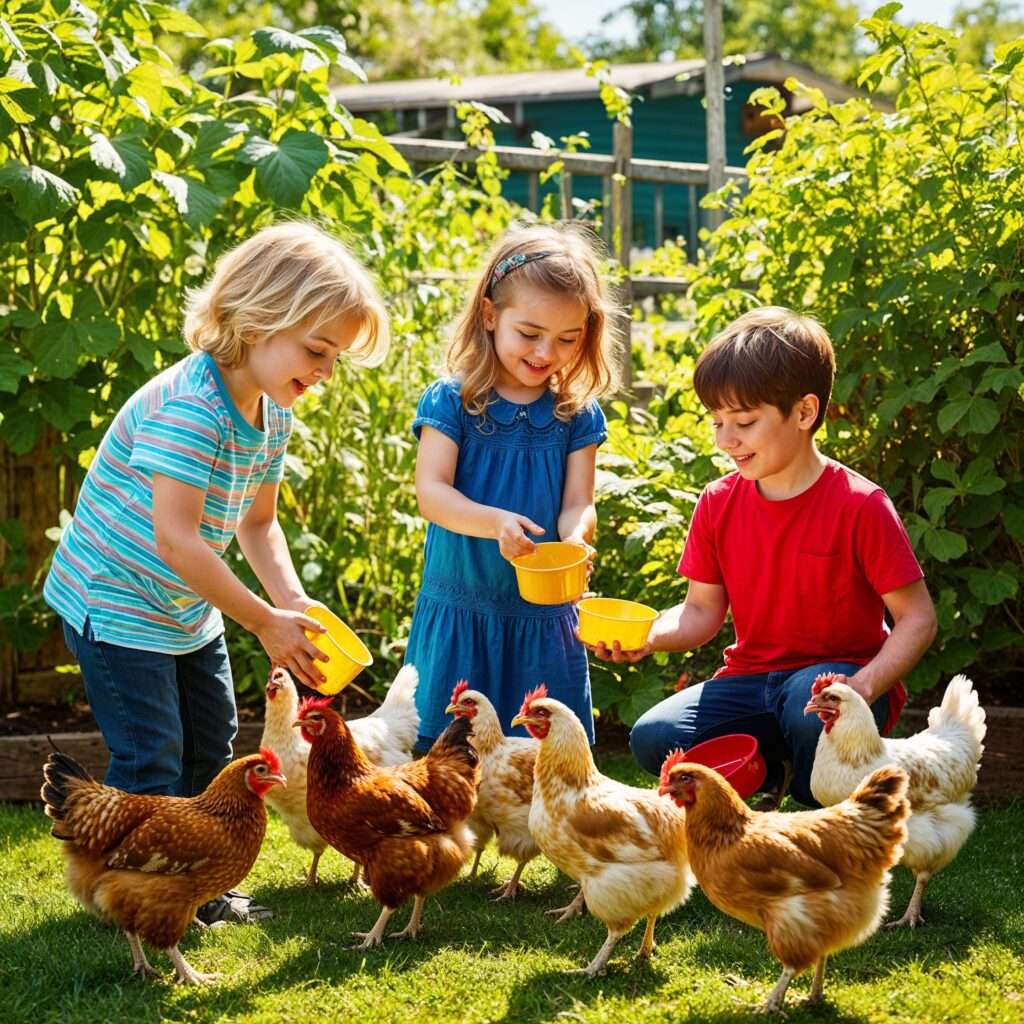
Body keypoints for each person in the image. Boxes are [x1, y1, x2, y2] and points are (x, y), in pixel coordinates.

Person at [43, 222, 389, 921]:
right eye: (317, 350)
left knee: (214, 740)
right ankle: (132, 897)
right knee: (152, 755)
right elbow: (174, 541)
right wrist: (261, 620)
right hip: (113, 604)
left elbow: (256, 525)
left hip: (180, 604)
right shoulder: (192, 410)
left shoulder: (271, 412)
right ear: (258, 318)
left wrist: (292, 605)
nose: (324, 371)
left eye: (335, 359)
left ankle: (197, 884)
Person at [590, 306, 937, 807]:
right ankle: (771, 772)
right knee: (653, 735)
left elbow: (918, 619)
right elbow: (701, 612)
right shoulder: (717, 502)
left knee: (806, 712)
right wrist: (645, 637)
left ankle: (809, 797)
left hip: (835, 680)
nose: (726, 440)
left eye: (745, 422)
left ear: (803, 412)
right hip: (750, 680)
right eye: (717, 422)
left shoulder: (860, 504)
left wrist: (861, 687)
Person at [405, 221, 621, 750]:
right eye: (529, 334)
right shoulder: (453, 401)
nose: (546, 352)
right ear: (489, 315)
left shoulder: (574, 414)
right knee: (447, 763)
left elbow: (578, 504)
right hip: (464, 605)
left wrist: (574, 540)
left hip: (542, 617)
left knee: (543, 765)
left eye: (567, 339)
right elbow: (432, 494)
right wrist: (495, 522)